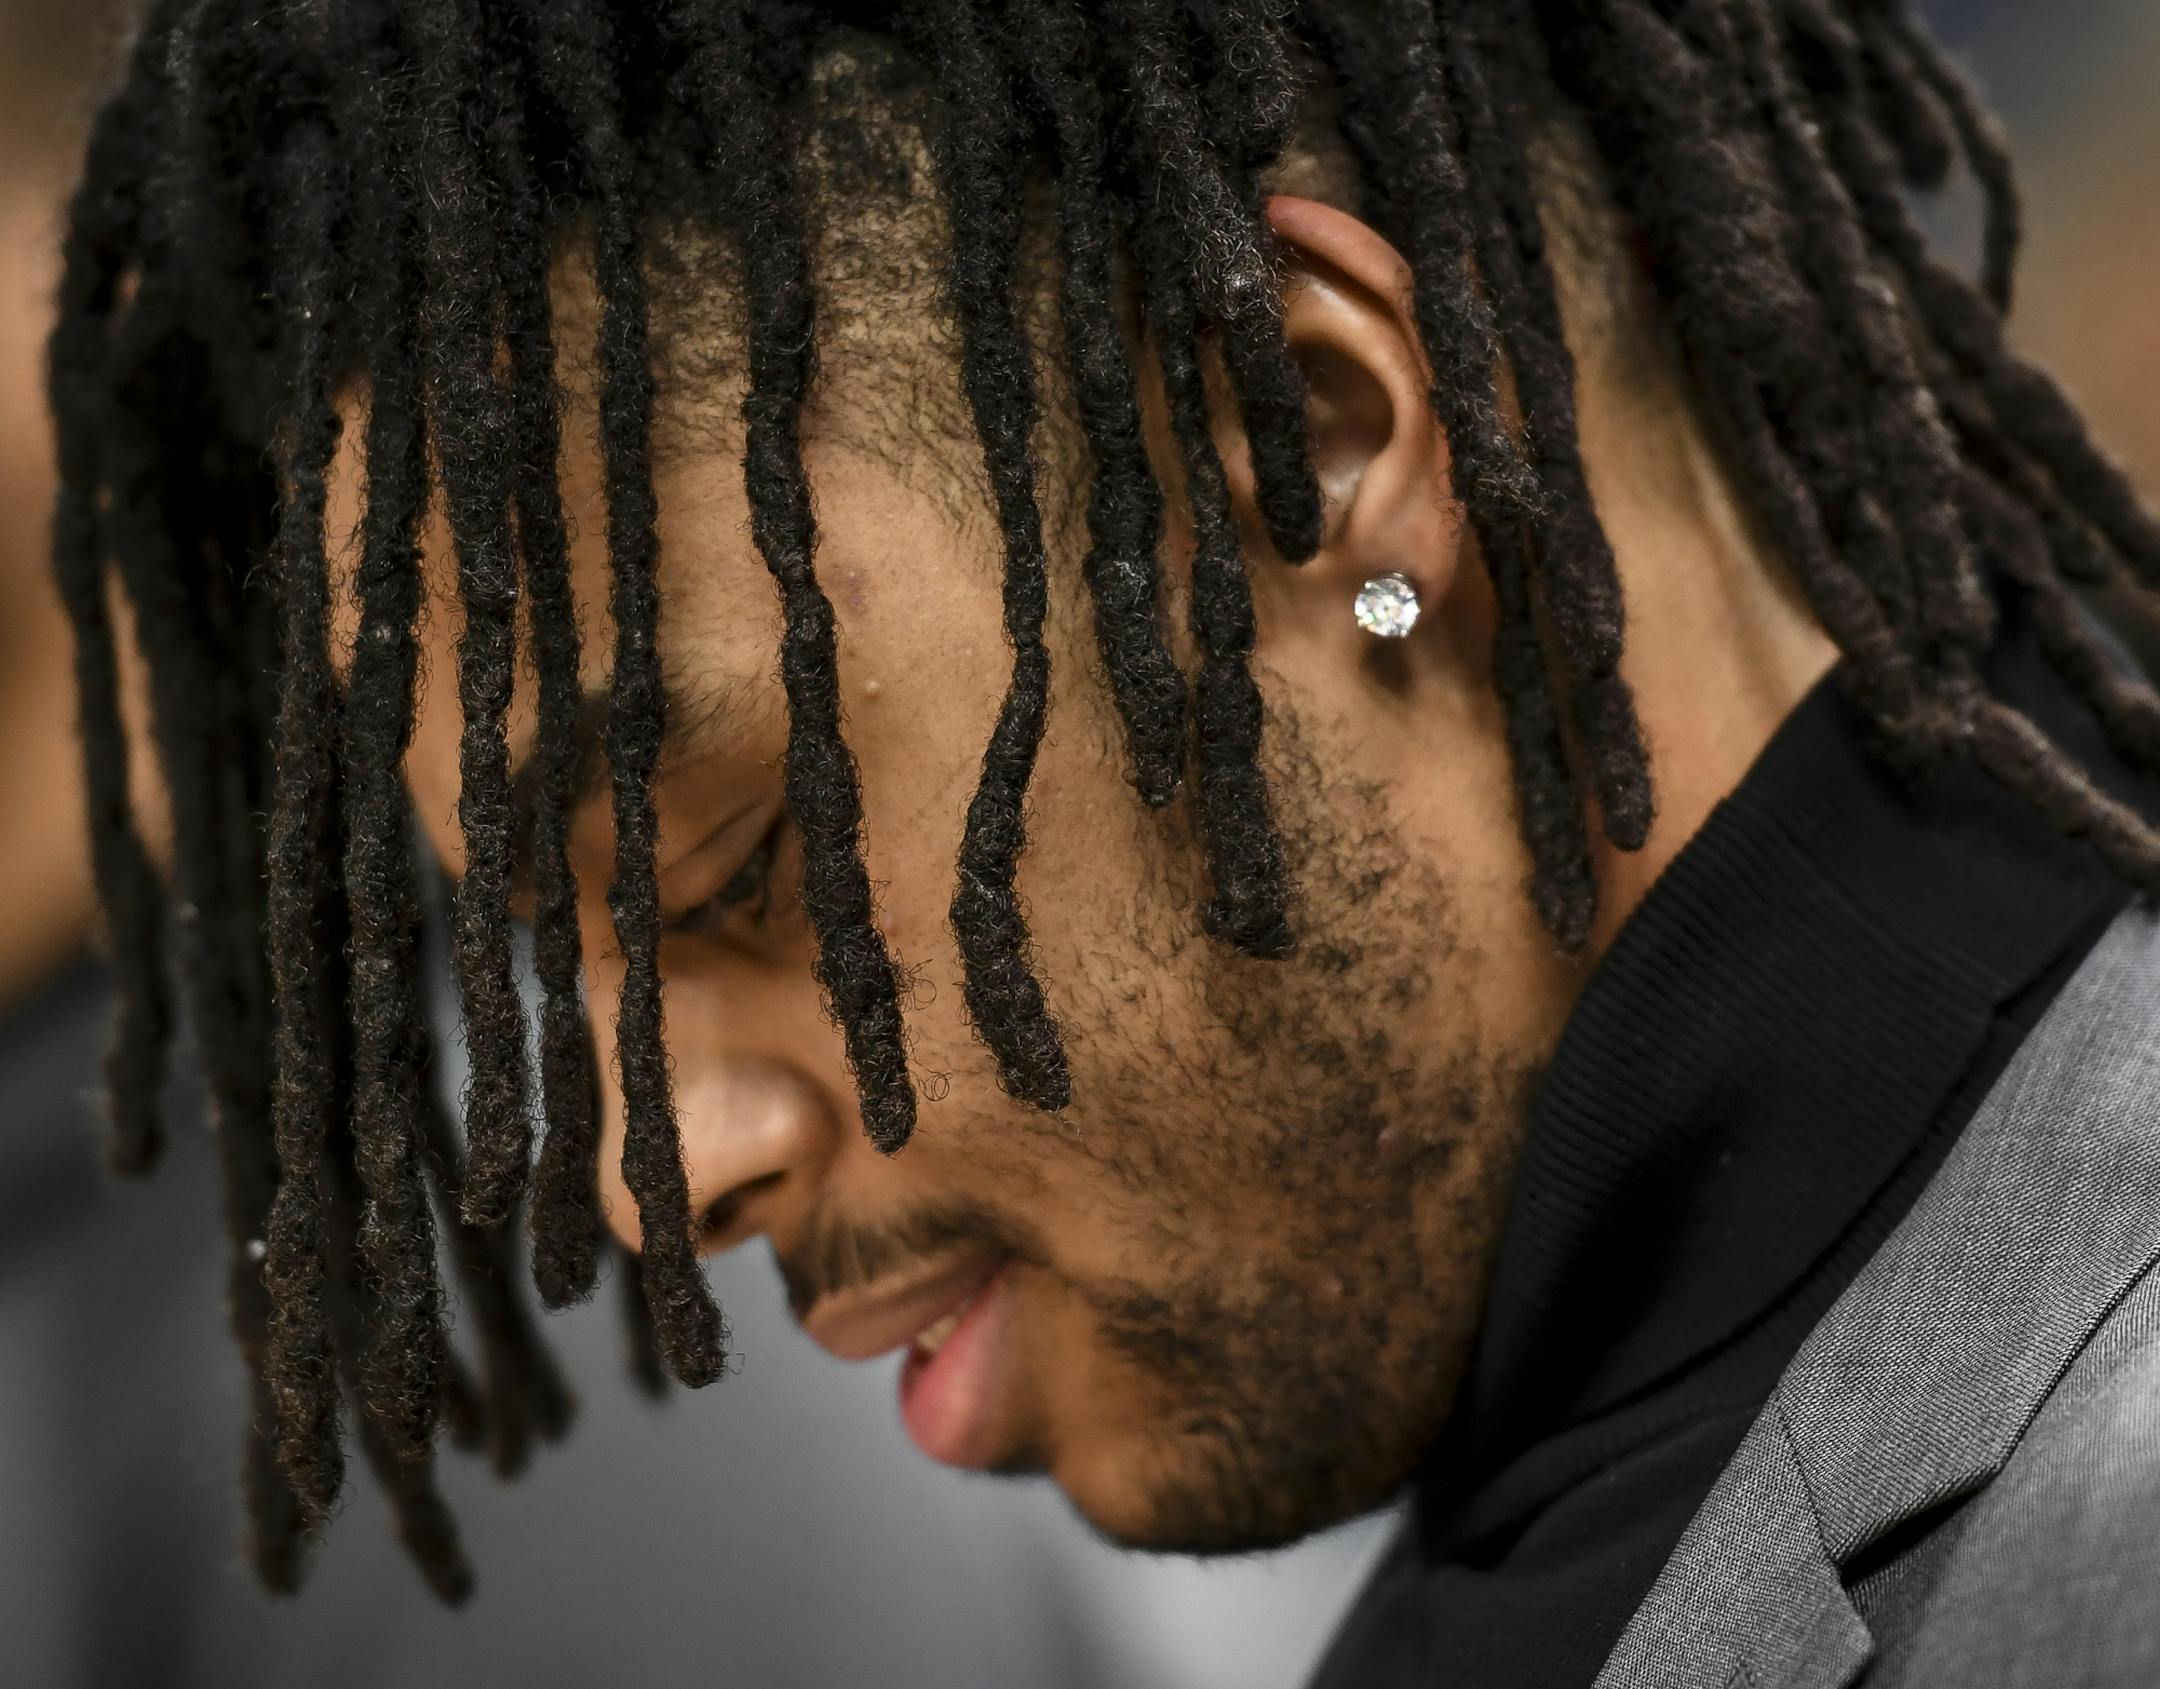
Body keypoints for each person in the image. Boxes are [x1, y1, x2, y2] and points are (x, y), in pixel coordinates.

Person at [46, 0, 2160, 1684]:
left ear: (1311, 456)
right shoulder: (1557, 1492)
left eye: (736, 865)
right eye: (550, 965)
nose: (651, 1169)